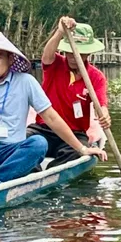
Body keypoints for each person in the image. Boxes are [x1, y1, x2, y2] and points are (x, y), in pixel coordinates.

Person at [0, 32, 106, 177]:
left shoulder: (25, 81)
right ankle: (7, 176)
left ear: (10, 59)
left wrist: (83, 149)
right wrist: (60, 31)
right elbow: (47, 56)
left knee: (38, 144)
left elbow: (52, 117)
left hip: (19, 146)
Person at [27, 17, 111, 164]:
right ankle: (33, 171)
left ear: (89, 53)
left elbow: (101, 105)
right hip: (44, 128)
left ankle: (53, 172)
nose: (74, 57)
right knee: (25, 142)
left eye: (80, 53)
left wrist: (104, 115)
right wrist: (60, 31)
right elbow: (46, 55)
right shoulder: (55, 64)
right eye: (70, 52)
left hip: (75, 134)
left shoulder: (96, 77)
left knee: (76, 153)